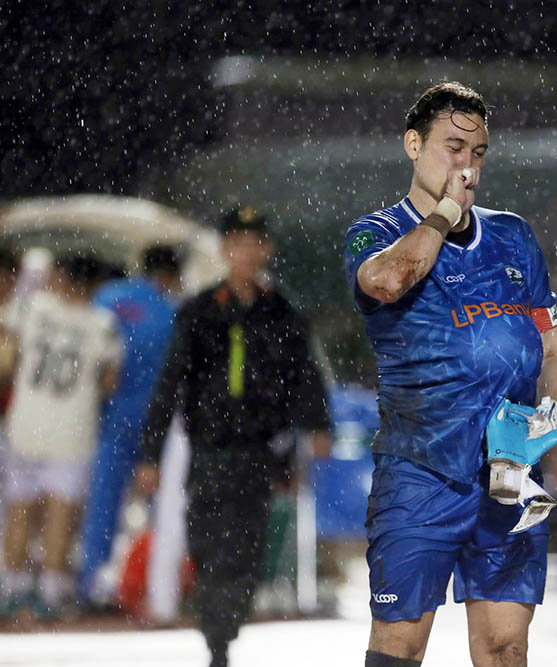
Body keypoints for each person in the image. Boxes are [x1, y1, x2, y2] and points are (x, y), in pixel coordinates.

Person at [344, 81, 557, 667]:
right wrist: (446, 212)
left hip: (511, 477)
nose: (467, 165)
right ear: (413, 144)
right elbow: (391, 280)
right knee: (400, 646)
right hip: (422, 474)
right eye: (453, 147)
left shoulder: (515, 236)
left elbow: (554, 352)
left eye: (478, 153)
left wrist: (544, 425)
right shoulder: (374, 234)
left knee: (506, 648)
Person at [136, 205, 331, 667]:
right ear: (225, 249)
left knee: (245, 548)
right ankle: (216, 635)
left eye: (255, 242)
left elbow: (305, 377)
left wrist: (319, 425)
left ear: (267, 249)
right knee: (208, 543)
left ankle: (224, 631)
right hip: (207, 449)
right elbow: (170, 385)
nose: (246, 252)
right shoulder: (200, 312)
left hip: (259, 452)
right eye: (238, 242)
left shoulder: (282, 314)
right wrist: (151, 455)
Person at [1, 254, 122, 618]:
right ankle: (51, 590)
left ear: (63, 277)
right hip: (72, 428)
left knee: (20, 510)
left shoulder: (32, 308)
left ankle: (13, 586)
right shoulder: (102, 324)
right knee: (60, 512)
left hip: (26, 423)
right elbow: (109, 383)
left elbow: (6, 361)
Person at [77, 244, 183, 606]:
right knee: (162, 509)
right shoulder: (172, 310)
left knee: (103, 502)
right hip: (156, 419)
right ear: (169, 275)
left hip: (109, 413)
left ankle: (92, 582)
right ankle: (152, 588)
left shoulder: (108, 297)